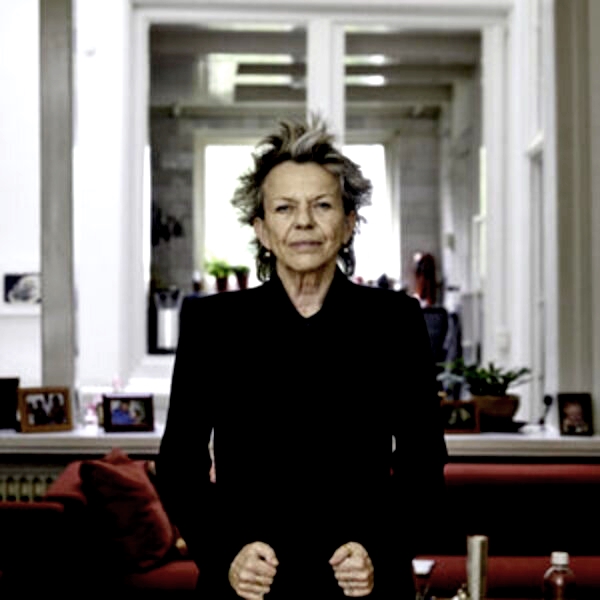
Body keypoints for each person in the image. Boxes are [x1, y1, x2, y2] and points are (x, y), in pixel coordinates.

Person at [156, 116, 448, 599]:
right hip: (248, 586)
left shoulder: (395, 320)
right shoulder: (213, 324)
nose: (304, 222)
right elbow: (178, 465)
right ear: (262, 230)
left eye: (322, 205)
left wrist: (381, 550)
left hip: (362, 585)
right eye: (284, 208)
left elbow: (424, 461)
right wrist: (225, 554)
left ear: (349, 223)